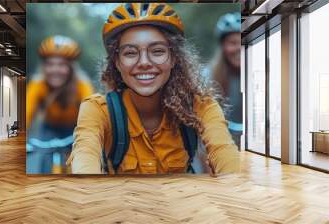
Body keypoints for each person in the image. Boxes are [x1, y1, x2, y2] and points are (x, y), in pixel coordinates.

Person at [67, 3, 239, 175]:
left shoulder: (200, 106)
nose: (144, 63)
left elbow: (224, 152)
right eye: (130, 53)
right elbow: (85, 156)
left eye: (157, 51)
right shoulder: (98, 110)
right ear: (117, 63)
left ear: (173, 59)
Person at [26, 35, 94, 174]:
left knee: (76, 167)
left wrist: (90, 139)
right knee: (44, 164)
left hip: (75, 129)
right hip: (49, 128)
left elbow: (91, 115)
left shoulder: (82, 86)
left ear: (70, 68)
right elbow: (26, 113)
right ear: (44, 67)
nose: (55, 70)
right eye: (50, 64)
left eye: (62, 64)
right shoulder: (37, 85)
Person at [203, 12, 242, 147]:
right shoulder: (208, 77)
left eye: (243, 42)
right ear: (223, 47)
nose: (239, 48)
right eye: (232, 43)